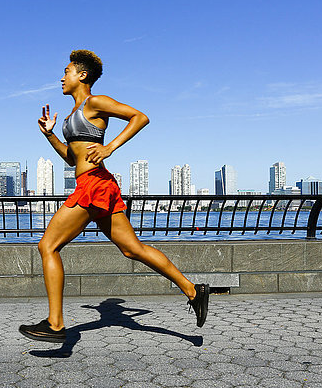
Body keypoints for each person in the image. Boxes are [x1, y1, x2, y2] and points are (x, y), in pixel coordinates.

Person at [19, 50, 209, 344]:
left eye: (67, 71)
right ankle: (194, 291)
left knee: (48, 246)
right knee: (132, 249)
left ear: (82, 75)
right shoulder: (72, 115)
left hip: (94, 184)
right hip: (95, 183)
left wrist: (110, 148)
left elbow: (139, 117)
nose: (62, 77)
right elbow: (72, 158)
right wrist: (50, 135)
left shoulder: (95, 102)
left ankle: (55, 324)